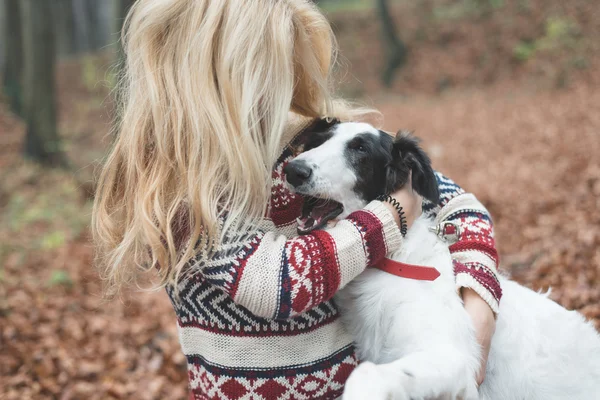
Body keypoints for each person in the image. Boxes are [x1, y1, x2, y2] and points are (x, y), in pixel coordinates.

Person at [92, 1, 501, 398]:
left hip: (351, 387)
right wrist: (390, 216)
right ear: (221, 73)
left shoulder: (304, 140)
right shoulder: (183, 189)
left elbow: (454, 205)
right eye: (272, 69)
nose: (287, 84)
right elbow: (278, 283)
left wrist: (479, 306)